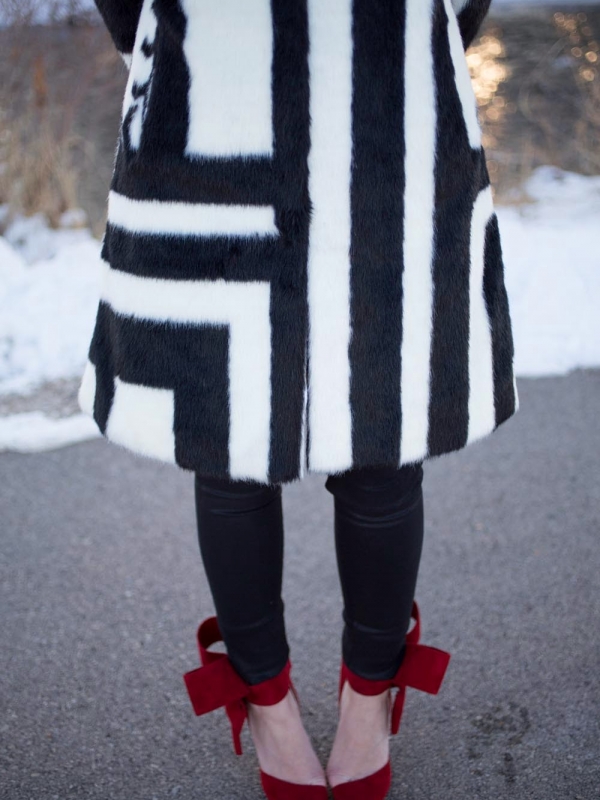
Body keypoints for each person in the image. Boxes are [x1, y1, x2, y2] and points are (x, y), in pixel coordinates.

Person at [82, 2, 518, 798]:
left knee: (385, 424)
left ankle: (369, 695)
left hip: (390, 88)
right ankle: (268, 702)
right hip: (208, 88)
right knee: (225, 431)